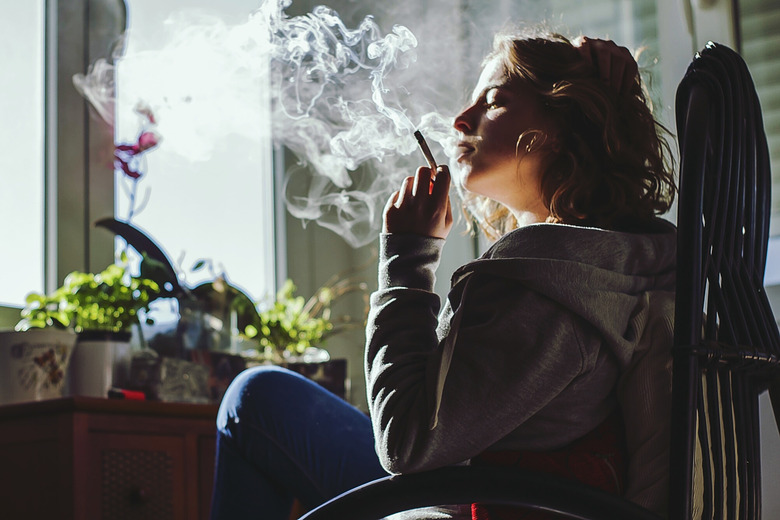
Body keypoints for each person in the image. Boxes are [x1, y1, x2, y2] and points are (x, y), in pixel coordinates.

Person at [209, 28, 677, 520]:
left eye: (493, 102)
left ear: (560, 128)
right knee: (258, 394)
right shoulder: (620, 257)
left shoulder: (542, 287)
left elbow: (405, 444)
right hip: (478, 480)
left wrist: (408, 260)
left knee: (251, 402)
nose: (460, 119)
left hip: (456, 495)